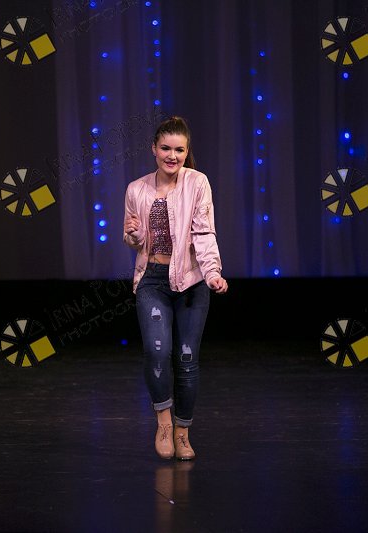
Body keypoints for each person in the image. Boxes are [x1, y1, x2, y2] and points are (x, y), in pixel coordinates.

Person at [123, 116, 228, 461]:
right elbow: (133, 239)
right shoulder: (136, 189)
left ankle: (183, 432)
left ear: (187, 151)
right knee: (157, 352)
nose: (172, 155)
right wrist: (134, 234)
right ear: (153, 149)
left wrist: (212, 273)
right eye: (166, 148)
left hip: (191, 281)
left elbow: (204, 232)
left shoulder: (197, 183)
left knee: (185, 359)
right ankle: (164, 424)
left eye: (179, 150)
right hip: (152, 280)